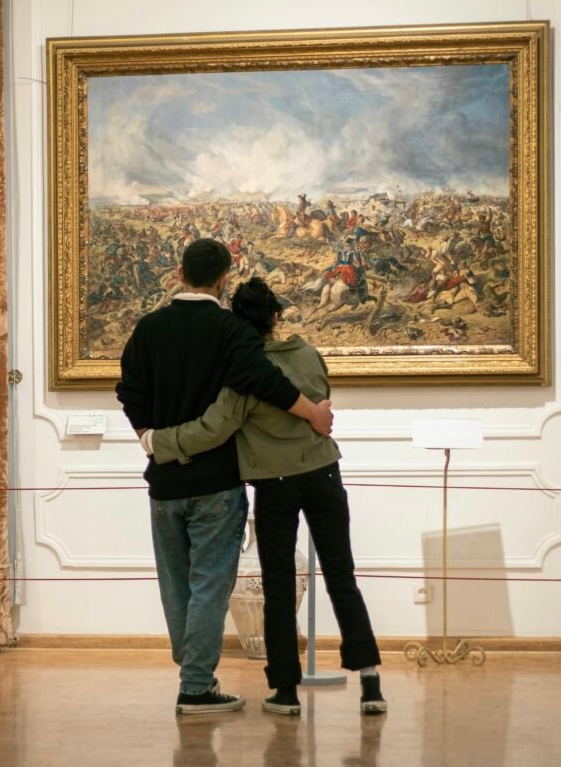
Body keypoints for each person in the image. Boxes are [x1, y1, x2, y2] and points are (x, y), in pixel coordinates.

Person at [146, 277, 386, 717]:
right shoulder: (310, 353)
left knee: (279, 586)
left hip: (276, 484)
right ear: (276, 316)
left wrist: (159, 443)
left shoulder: (242, 375)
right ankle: (371, 684)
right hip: (324, 473)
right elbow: (323, 402)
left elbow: (214, 429)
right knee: (341, 575)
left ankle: (286, 691)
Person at [116, 240, 334, 716]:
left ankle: (192, 671)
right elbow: (267, 382)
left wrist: (148, 438)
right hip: (215, 481)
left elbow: (128, 390)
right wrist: (314, 415)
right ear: (223, 280)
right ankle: (195, 684)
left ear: (178, 273)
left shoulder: (148, 328)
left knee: (176, 586)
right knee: (210, 586)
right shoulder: (230, 328)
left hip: (163, 482)